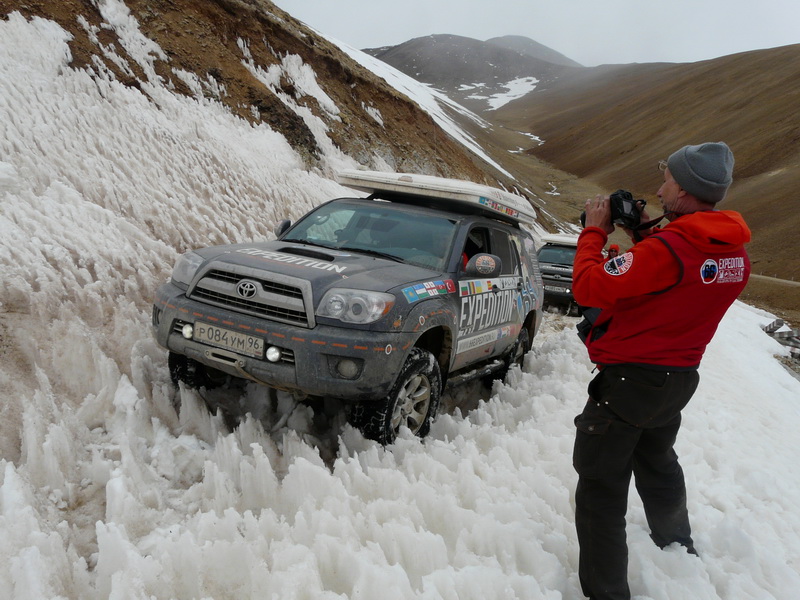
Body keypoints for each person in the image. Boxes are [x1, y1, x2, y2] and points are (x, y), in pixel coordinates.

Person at [571, 142, 751, 600]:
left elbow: (591, 286)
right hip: (677, 379)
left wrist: (596, 233)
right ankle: (676, 545)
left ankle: (606, 593)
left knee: (601, 487)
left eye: (667, 179)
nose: (659, 186)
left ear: (688, 190)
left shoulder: (672, 248)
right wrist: (645, 233)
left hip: (631, 381)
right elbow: (677, 275)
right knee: (657, 461)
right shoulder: (734, 253)